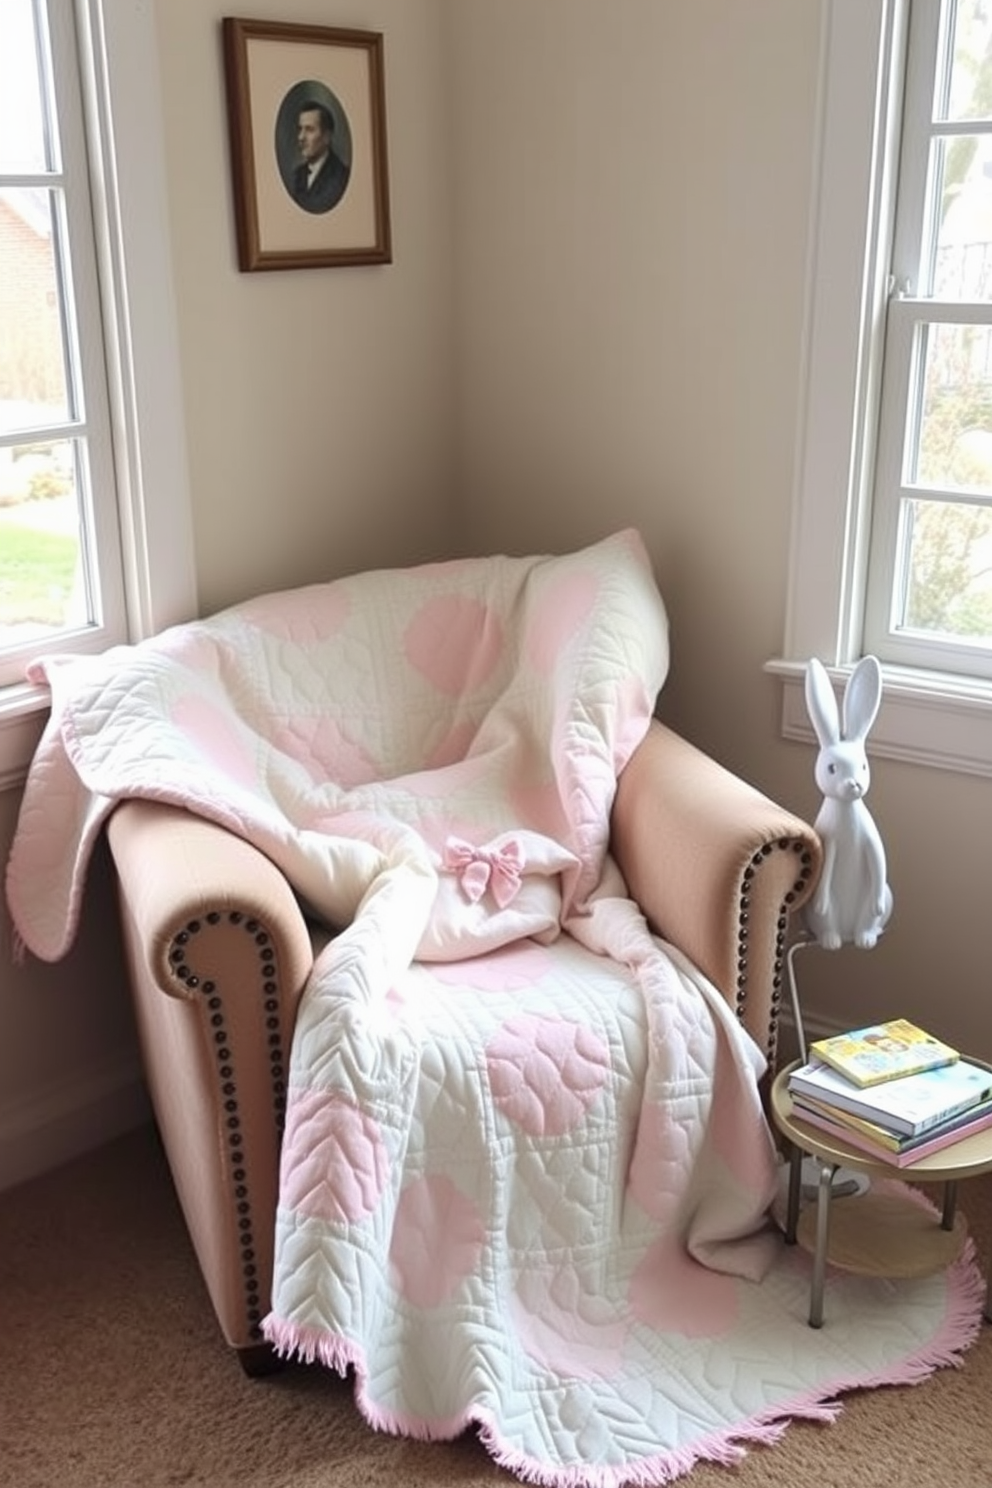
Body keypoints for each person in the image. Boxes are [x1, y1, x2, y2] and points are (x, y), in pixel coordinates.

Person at [290, 102, 349, 214]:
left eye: (309, 130)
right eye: (300, 129)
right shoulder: (297, 175)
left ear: (327, 136)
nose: (301, 137)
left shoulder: (341, 176)